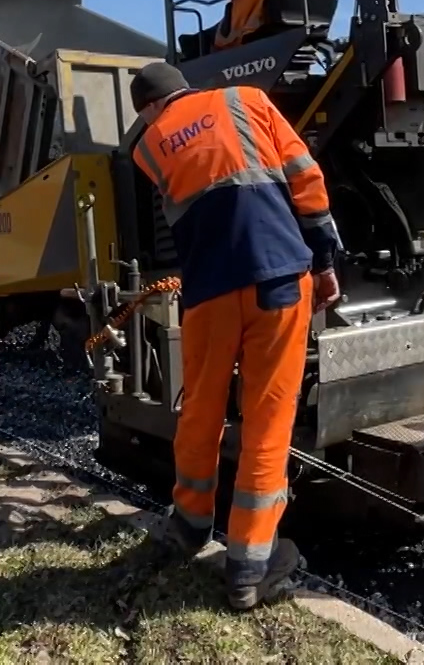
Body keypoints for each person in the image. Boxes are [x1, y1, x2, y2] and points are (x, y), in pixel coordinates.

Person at [126, 60, 343, 611]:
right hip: (277, 278)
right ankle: (249, 567)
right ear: (184, 88)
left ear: (149, 108)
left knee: (200, 408)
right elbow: (305, 175)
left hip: (208, 292)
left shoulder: (147, 147)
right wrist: (324, 260)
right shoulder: (246, 99)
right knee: (267, 419)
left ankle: (191, 525)